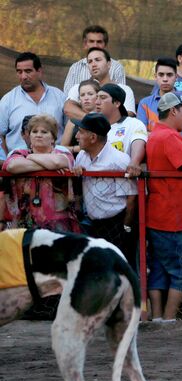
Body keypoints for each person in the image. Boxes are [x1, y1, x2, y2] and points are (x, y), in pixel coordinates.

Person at [145, 92, 182, 322]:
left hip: (161, 214)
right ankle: (169, 319)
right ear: (174, 111)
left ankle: (158, 317)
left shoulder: (157, 134)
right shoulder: (169, 136)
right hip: (172, 217)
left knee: (160, 268)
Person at [71, 112, 136, 261]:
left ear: (93, 137)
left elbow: (132, 197)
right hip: (91, 222)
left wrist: (126, 228)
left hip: (116, 223)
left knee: (115, 265)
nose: (76, 136)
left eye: (81, 132)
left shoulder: (119, 160)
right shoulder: (82, 156)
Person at [2, 114, 79, 232]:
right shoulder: (18, 153)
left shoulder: (62, 153)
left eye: (44, 132)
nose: (38, 135)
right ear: (29, 135)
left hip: (58, 222)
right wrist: (49, 165)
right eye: (34, 131)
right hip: (23, 220)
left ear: (53, 138)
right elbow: (12, 166)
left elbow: (58, 162)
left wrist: (31, 157)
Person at [0, 52, 66, 157]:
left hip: (55, 165)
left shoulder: (59, 97)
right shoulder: (8, 100)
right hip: (19, 165)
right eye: (19, 72)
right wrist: (4, 159)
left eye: (28, 71)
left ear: (39, 71)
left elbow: (70, 129)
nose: (23, 76)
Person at [136, 58, 182, 146]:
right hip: (153, 153)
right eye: (161, 75)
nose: (165, 79)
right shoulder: (144, 103)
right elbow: (141, 134)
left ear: (176, 77)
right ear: (155, 77)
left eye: (169, 75)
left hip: (180, 154)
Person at [64, 47, 136, 121]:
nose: (93, 64)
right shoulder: (78, 87)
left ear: (109, 64)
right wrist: (93, 121)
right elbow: (68, 108)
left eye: (98, 60)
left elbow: (129, 116)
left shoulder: (124, 89)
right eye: (90, 61)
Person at [97, 84, 148, 178]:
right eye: (97, 98)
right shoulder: (94, 127)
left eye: (103, 98)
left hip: (125, 186)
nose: (97, 102)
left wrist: (135, 162)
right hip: (96, 188)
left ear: (117, 103)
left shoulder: (133, 124)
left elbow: (139, 142)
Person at [63, 25, 126, 94]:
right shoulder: (75, 68)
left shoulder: (117, 67)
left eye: (99, 42)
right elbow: (67, 97)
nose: (95, 45)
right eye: (91, 41)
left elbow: (120, 97)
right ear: (85, 44)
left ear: (105, 45)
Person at [61, 80, 99, 155]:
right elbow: (61, 148)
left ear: (98, 96)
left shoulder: (105, 118)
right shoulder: (72, 121)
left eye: (90, 94)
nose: (86, 98)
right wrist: (76, 148)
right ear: (79, 99)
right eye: (82, 95)